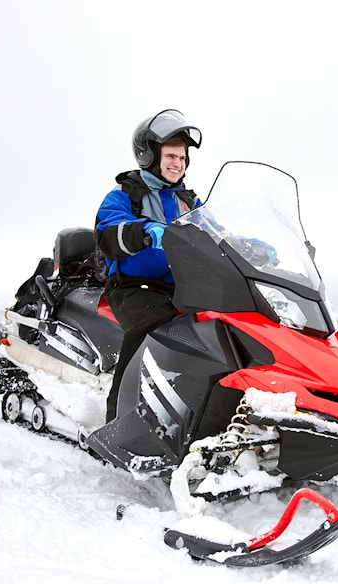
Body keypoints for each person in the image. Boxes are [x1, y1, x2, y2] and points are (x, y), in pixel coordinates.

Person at [95, 109, 202, 422]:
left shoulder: (188, 201)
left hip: (180, 285)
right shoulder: (125, 194)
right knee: (151, 324)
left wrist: (250, 245)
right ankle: (119, 419)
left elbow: (216, 231)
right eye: (170, 156)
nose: (177, 164)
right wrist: (142, 231)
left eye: (182, 158)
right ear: (150, 156)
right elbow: (108, 231)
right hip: (133, 286)